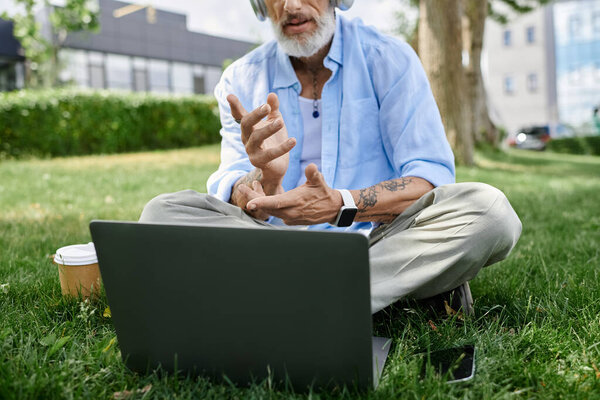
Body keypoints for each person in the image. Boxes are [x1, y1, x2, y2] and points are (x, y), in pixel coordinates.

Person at [139, 0, 522, 315]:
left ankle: (283, 301)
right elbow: (237, 190)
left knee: (490, 212)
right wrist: (264, 181)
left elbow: (428, 179)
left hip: (374, 244)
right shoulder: (240, 79)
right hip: (273, 248)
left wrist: (340, 205)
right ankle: (367, 296)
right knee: (162, 213)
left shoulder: (390, 59)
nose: (290, 6)